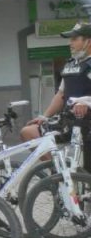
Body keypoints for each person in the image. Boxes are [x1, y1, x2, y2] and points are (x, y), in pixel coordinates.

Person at [21, 23, 91, 166]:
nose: (70, 43)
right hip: (69, 120)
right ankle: (58, 170)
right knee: (29, 132)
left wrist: (86, 102)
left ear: (88, 41)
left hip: (88, 123)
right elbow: (61, 94)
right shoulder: (71, 64)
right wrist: (44, 116)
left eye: (74, 39)